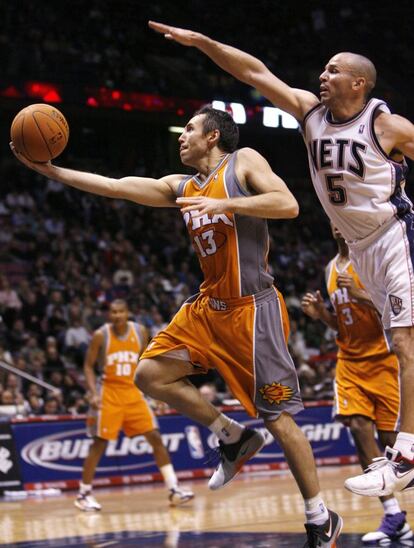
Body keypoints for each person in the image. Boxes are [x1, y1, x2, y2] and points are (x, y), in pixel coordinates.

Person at [12, 106, 342, 546]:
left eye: (189, 129)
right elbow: (115, 187)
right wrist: (53, 171)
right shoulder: (180, 185)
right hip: (208, 308)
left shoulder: (243, 161)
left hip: (253, 310)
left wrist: (225, 202)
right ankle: (232, 436)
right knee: (149, 373)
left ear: (213, 137)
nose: (181, 136)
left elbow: (288, 204)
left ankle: (320, 518)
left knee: (279, 419)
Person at [148, 20, 414, 499]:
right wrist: (205, 43)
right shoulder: (309, 112)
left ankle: (408, 453)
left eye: (334, 71)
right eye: (324, 68)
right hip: (360, 248)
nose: (323, 75)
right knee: (401, 342)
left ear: (359, 83)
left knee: (403, 342)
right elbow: (254, 71)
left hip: (394, 234)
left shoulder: (385, 125)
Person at [302, 225, 413, 545]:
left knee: (394, 444)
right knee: (357, 426)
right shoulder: (329, 270)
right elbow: (341, 323)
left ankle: (400, 516)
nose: (335, 223)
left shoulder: (371, 262)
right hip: (349, 362)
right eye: (330, 220)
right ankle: (393, 515)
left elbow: (396, 310)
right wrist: (321, 314)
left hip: (384, 361)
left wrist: (363, 294)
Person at [74, 298, 194, 511]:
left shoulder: (139, 332)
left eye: (120, 311)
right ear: (108, 314)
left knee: (155, 437)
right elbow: (88, 367)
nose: (117, 315)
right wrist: (92, 393)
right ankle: (83, 494)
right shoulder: (101, 336)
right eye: (113, 312)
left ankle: (174, 489)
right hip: (109, 394)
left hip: (133, 393)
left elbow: (148, 363)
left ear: (127, 312)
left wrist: (155, 392)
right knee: (99, 444)